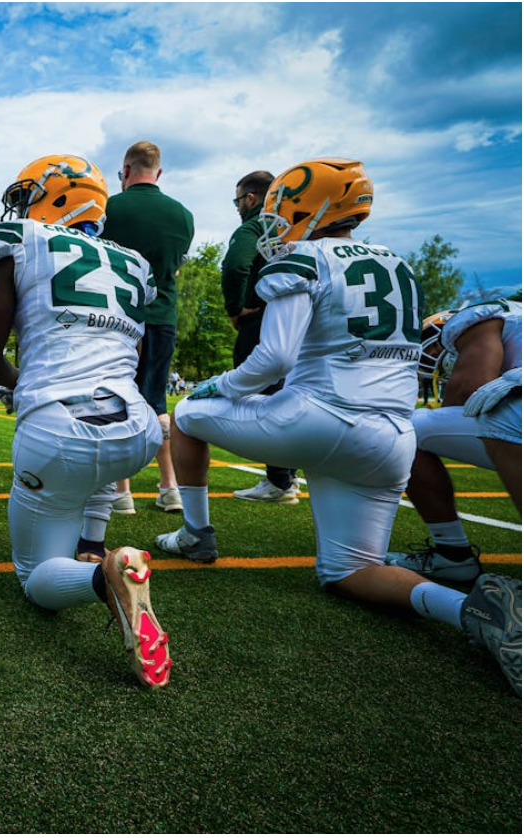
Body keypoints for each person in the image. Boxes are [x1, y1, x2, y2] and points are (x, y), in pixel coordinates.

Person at [154, 158, 521, 695]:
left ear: (315, 205)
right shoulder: (398, 262)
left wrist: (219, 386)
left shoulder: (305, 256)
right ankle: (473, 610)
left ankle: (195, 535)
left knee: (186, 415)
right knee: (348, 572)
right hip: (390, 438)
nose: (276, 218)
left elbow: (274, 358)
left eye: (283, 205)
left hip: (316, 417)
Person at [0, 154, 170, 689]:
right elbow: (136, 350)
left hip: (59, 429)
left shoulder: (25, 239)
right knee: (105, 437)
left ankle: (104, 576)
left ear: (52, 197)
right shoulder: (131, 262)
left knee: (37, 579)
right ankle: (95, 540)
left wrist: (23, 384)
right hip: (137, 428)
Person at [386, 298, 522, 581]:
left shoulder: (481, 317)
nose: (434, 353)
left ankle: (452, 554)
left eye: (434, 345)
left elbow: (468, 392)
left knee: (402, 427)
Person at [101, 141, 194, 515]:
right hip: (162, 316)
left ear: (125, 171)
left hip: (119, 316)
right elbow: (174, 268)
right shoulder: (182, 215)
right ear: (158, 173)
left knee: (117, 400)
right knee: (156, 402)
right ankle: (169, 486)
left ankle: (122, 491)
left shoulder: (109, 207)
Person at [220, 170, 300, 505]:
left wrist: (236, 309)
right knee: (285, 394)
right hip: (296, 324)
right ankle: (289, 477)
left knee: (260, 397)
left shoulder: (254, 226)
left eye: (238, 200)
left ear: (251, 198)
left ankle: (279, 480)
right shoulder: (294, 227)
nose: (237, 207)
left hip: (260, 323)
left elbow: (236, 265)